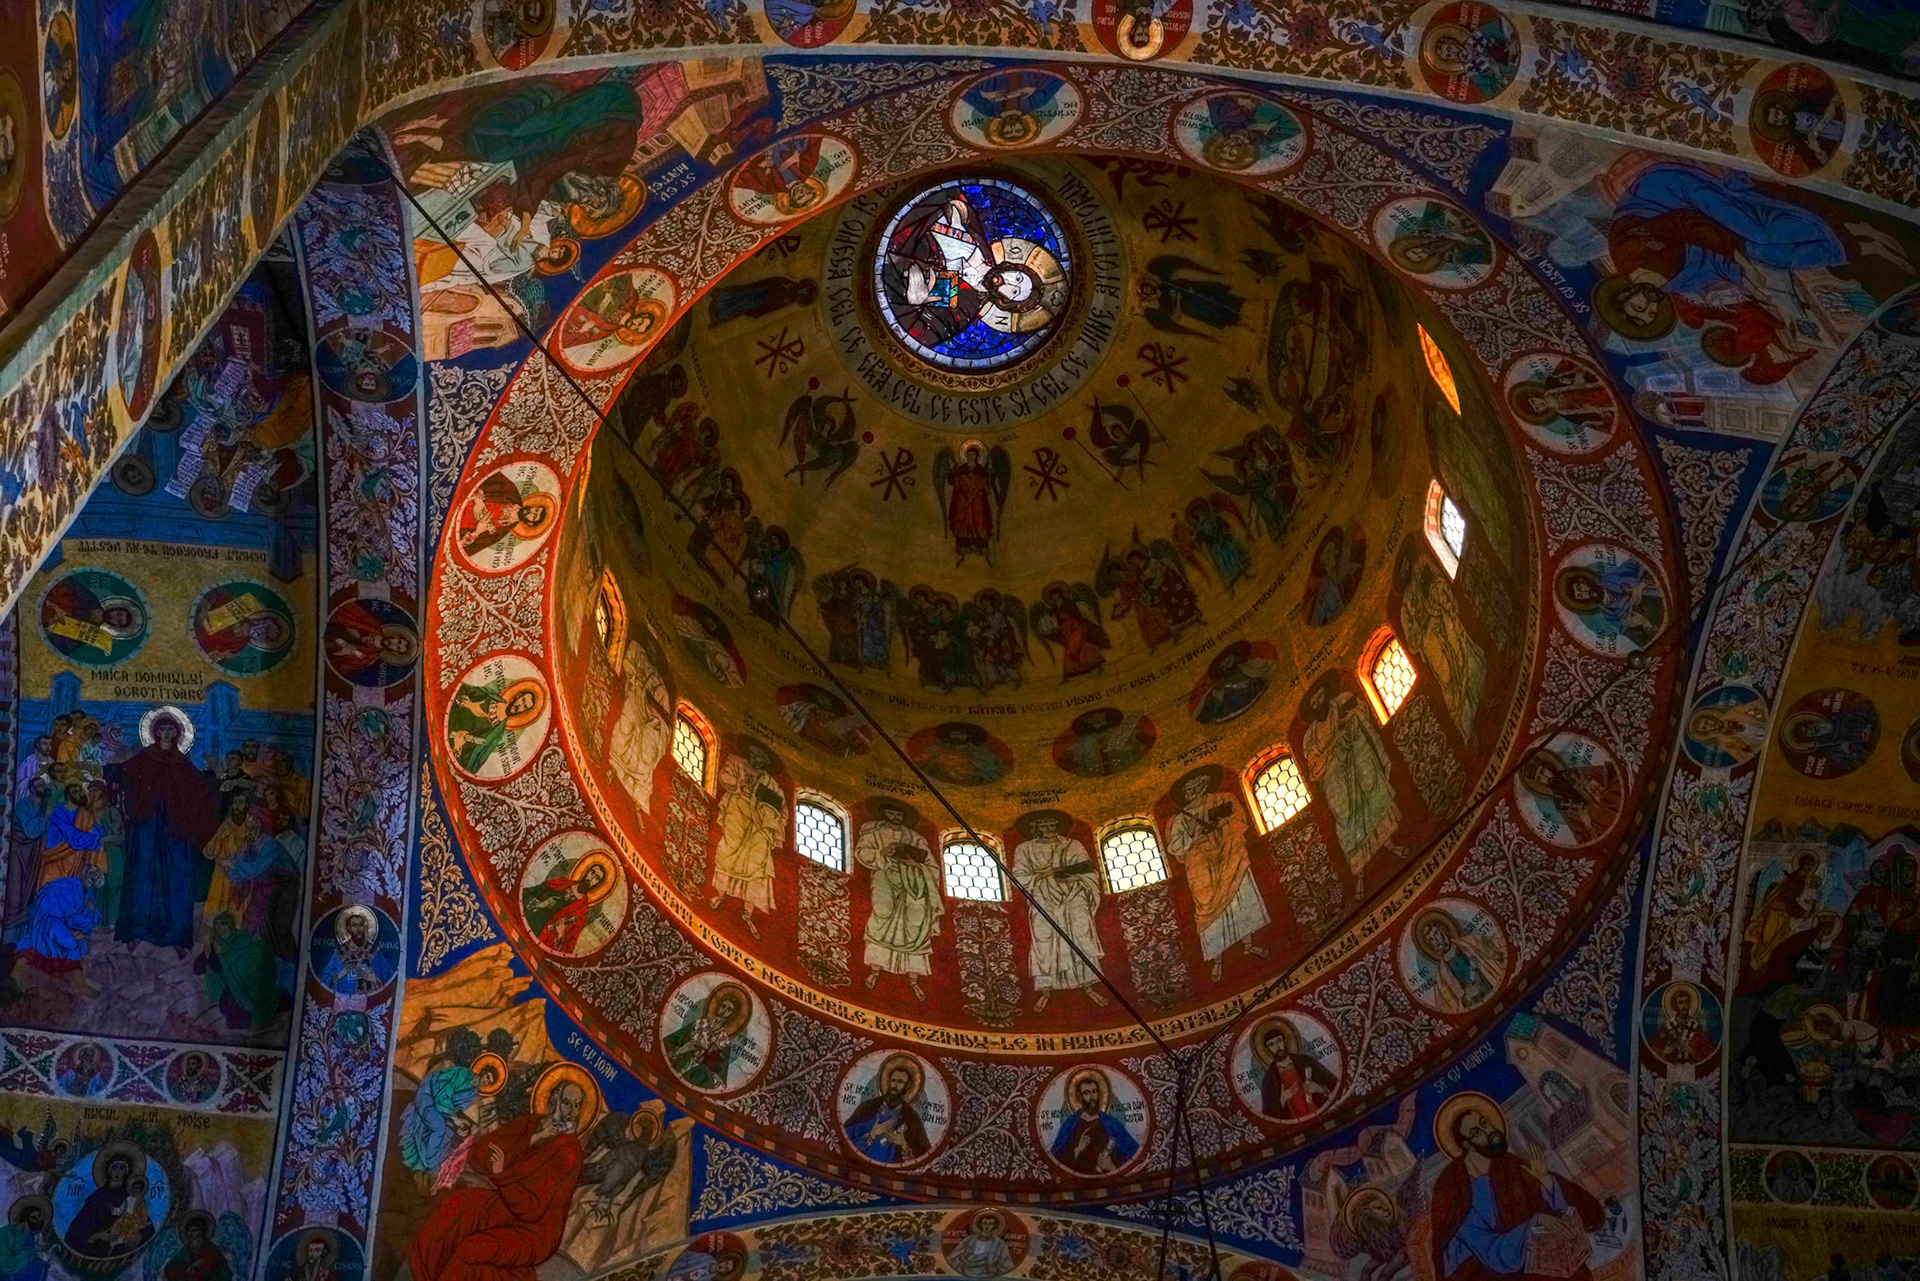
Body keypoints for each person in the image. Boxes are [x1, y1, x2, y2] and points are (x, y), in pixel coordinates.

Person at [408, 1068, 593, 1281]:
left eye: (578, 1106)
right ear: (554, 1100)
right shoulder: (532, 1123)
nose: (571, 1112)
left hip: (534, 1230)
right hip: (506, 1205)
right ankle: (425, 1274)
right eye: (567, 1103)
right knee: (456, 1204)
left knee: (472, 1250)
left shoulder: (568, 1151)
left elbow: (532, 1208)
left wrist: (501, 1173)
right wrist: (535, 1138)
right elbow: (482, 1152)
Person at [1428, 1094, 1604, 1281]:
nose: (1488, 1132)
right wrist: (1535, 1223)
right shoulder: (1456, 1191)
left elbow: (1558, 1211)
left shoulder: (1510, 1165)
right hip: (1487, 1272)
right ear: (1467, 1145)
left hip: (1531, 1259)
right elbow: (1493, 1254)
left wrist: (1545, 1180)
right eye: (1476, 1132)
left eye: (1484, 1123)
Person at [109, 713, 220, 948]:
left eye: (172, 730)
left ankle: (175, 933)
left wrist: (212, 777)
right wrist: (111, 770)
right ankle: (137, 928)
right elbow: (125, 772)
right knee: (143, 873)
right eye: (163, 729)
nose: (167, 733)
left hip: (175, 827)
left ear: (177, 734)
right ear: (156, 732)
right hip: (148, 822)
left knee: (176, 874)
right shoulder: (146, 756)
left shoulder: (182, 762)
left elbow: (198, 784)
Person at [1164, 768, 1269, 980]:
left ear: (1204, 785)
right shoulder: (1180, 819)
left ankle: (1249, 945)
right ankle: (1217, 958)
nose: (1191, 793)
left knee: (1240, 898)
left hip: (1229, 855)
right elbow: (1175, 846)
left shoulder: (1223, 798)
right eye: (1187, 790)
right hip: (1201, 866)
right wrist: (1194, 833)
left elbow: (1239, 819)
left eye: (1195, 787)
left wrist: (1219, 825)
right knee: (1207, 907)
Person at [1010, 812, 1106, 1011]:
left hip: (1074, 894)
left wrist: (1061, 874)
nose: (1047, 827)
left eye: (1050, 822)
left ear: (1057, 824)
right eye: (1042, 823)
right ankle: (1046, 990)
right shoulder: (1025, 848)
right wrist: (1043, 877)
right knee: (1045, 940)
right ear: (1035, 827)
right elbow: (1019, 875)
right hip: (1042, 895)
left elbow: (1087, 870)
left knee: (1080, 935)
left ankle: (1088, 985)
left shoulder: (1073, 845)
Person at [853, 803, 942, 1000]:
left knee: (916, 925)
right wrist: (884, 852)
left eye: (898, 813)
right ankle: (875, 970)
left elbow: (931, 865)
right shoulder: (874, 832)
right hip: (885, 878)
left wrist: (914, 865)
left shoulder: (915, 838)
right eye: (890, 811)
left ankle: (914, 979)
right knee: (881, 916)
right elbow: (862, 852)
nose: (894, 816)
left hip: (914, 884)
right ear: (884, 813)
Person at [708, 745, 785, 936]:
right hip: (737, 814)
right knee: (728, 853)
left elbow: (781, 810)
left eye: (762, 758)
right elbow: (724, 777)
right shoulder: (736, 763)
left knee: (756, 866)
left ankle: (747, 912)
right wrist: (740, 784)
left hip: (759, 827)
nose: (757, 759)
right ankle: (719, 895)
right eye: (755, 754)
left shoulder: (772, 784)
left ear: (767, 763)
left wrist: (769, 816)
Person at [842, 1056, 932, 1165]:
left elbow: (925, 1157)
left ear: (907, 1086)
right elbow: (844, 1137)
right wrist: (872, 1134)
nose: (894, 1085)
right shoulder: (868, 1107)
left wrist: (903, 1144)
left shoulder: (912, 1119)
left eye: (900, 1082)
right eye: (893, 1080)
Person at [1048, 1070, 1140, 1175]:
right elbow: (1057, 1162)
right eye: (1086, 1093)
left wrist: (1112, 1167)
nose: (1092, 1097)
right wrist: (1077, 1150)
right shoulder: (1070, 1124)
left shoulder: (1111, 1123)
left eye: (1094, 1091)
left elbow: (1133, 1157)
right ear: (1079, 1096)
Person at [663, 983, 752, 1091]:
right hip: (677, 1069)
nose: (725, 1011)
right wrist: (680, 1050)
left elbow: (720, 1080)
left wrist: (706, 1068)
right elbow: (667, 1043)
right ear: (718, 1006)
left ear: (731, 1014)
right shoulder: (698, 1025)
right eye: (723, 1006)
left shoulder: (724, 1042)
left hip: (698, 1079)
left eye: (729, 1010)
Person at [1256, 1019, 1336, 1121]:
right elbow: (1268, 1116)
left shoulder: (1305, 1061)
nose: (1277, 1047)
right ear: (1267, 1049)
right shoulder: (1269, 1078)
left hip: (1321, 1116)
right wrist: (1282, 1099)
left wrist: (1318, 1088)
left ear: (1285, 1041)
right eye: (1271, 1044)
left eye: (1279, 1041)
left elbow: (1334, 1084)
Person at [161, 1211, 229, 1281]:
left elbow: (219, 1266)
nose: (190, 1233)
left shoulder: (209, 1247)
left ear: (201, 1231)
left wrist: (201, 1264)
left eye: (194, 1230)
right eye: (189, 1231)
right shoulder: (187, 1248)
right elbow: (171, 1266)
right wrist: (186, 1267)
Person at [949, 1211, 1016, 1278]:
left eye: (990, 1224)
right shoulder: (969, 1240)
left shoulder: (1000, 1244)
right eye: (984, 1223)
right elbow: (953, 1256)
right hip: (966, 1269)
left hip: (989, 1272)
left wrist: (996, 1270)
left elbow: (1007, 1263)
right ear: (980, 1224)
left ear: (994, 1225)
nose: (987, 1226)